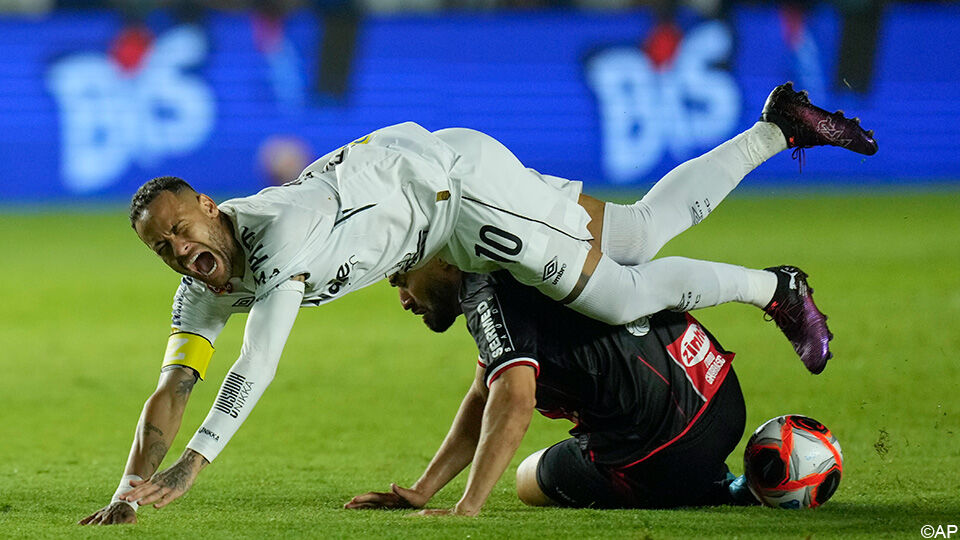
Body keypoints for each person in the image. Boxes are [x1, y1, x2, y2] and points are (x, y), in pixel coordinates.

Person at [79, 83, 873, 524]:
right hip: (438, 184)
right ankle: (778, 128)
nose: (182, 251)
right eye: (165, 248)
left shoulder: (280, 235)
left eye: (184, 229)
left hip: (462, 200)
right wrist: (127, 491)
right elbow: (173, 388)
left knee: (618, 290)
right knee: (634, 230)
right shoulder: (201, 284)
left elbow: (261, 358)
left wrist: (194, 466)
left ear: (211, 208)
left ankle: (776, 287)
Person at [346, 259, 760, 513]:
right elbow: (483, 393)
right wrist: (422, 490)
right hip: (720, 394)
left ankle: (705, 484)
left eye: (402, 279)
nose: (403, 298)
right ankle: (731, 475)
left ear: (444, 260)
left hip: (663, 450)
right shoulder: (523, 243)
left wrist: (466, 506)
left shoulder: (483, 288)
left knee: (530, 478)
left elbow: (515, 398)